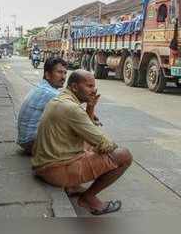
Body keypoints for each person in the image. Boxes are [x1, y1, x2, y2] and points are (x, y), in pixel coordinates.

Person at [31, 69, 132, 215]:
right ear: (74, 87)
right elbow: (103, 142)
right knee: (124, 155)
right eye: (89, 86)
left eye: (94, 86)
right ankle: (88, 198)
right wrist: (110, 150)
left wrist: (90, 107)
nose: (94, 90)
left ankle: (73, 186)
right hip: (54, 170)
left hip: (45, 165)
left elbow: (87, 132)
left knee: (91, 145)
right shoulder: (71, 108)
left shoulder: (62, 99)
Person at [17, 57, 68, 155]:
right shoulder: (51, 93)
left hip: (25, 141)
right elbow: (76, 116)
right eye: (59, 72)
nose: (63, 77)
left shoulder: (43, 87)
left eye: (65, 73)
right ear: (48, 75)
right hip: (32, 143)